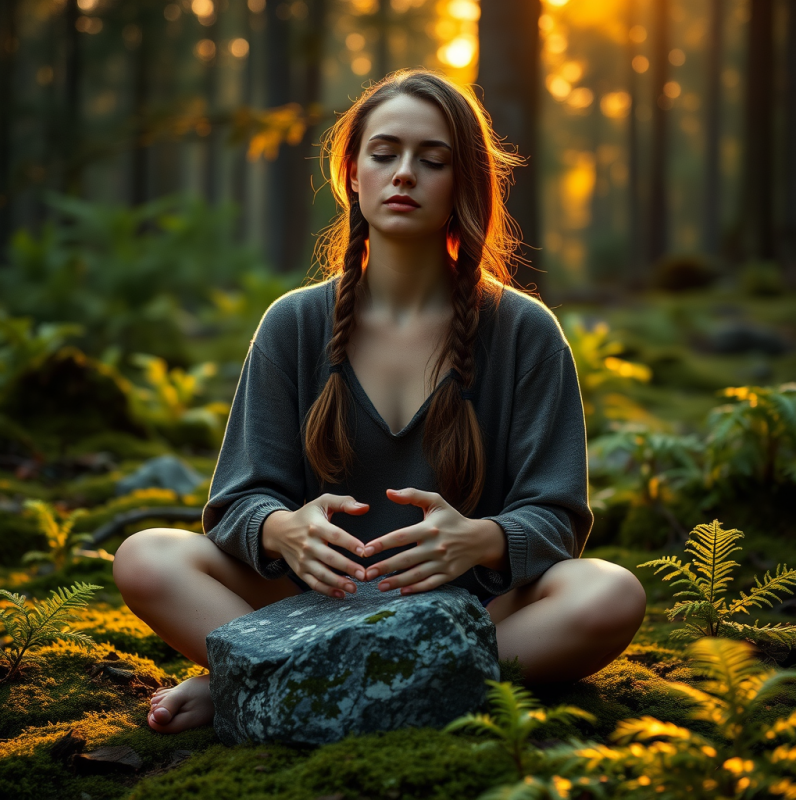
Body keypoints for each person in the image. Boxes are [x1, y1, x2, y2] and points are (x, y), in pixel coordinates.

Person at [112, 68, 646, 735]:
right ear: (352, 174)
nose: (404, 175)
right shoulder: (293, 323)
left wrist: (479, 539)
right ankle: (387, 690)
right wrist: (283, 530)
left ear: (465, 183)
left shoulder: (524, 330)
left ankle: (265, 685)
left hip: (468, 614)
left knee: (610, 593)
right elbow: (237, 501)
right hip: (306, 606)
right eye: (384, 153)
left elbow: (557, 516)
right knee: (146, 556)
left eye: (433, 160)